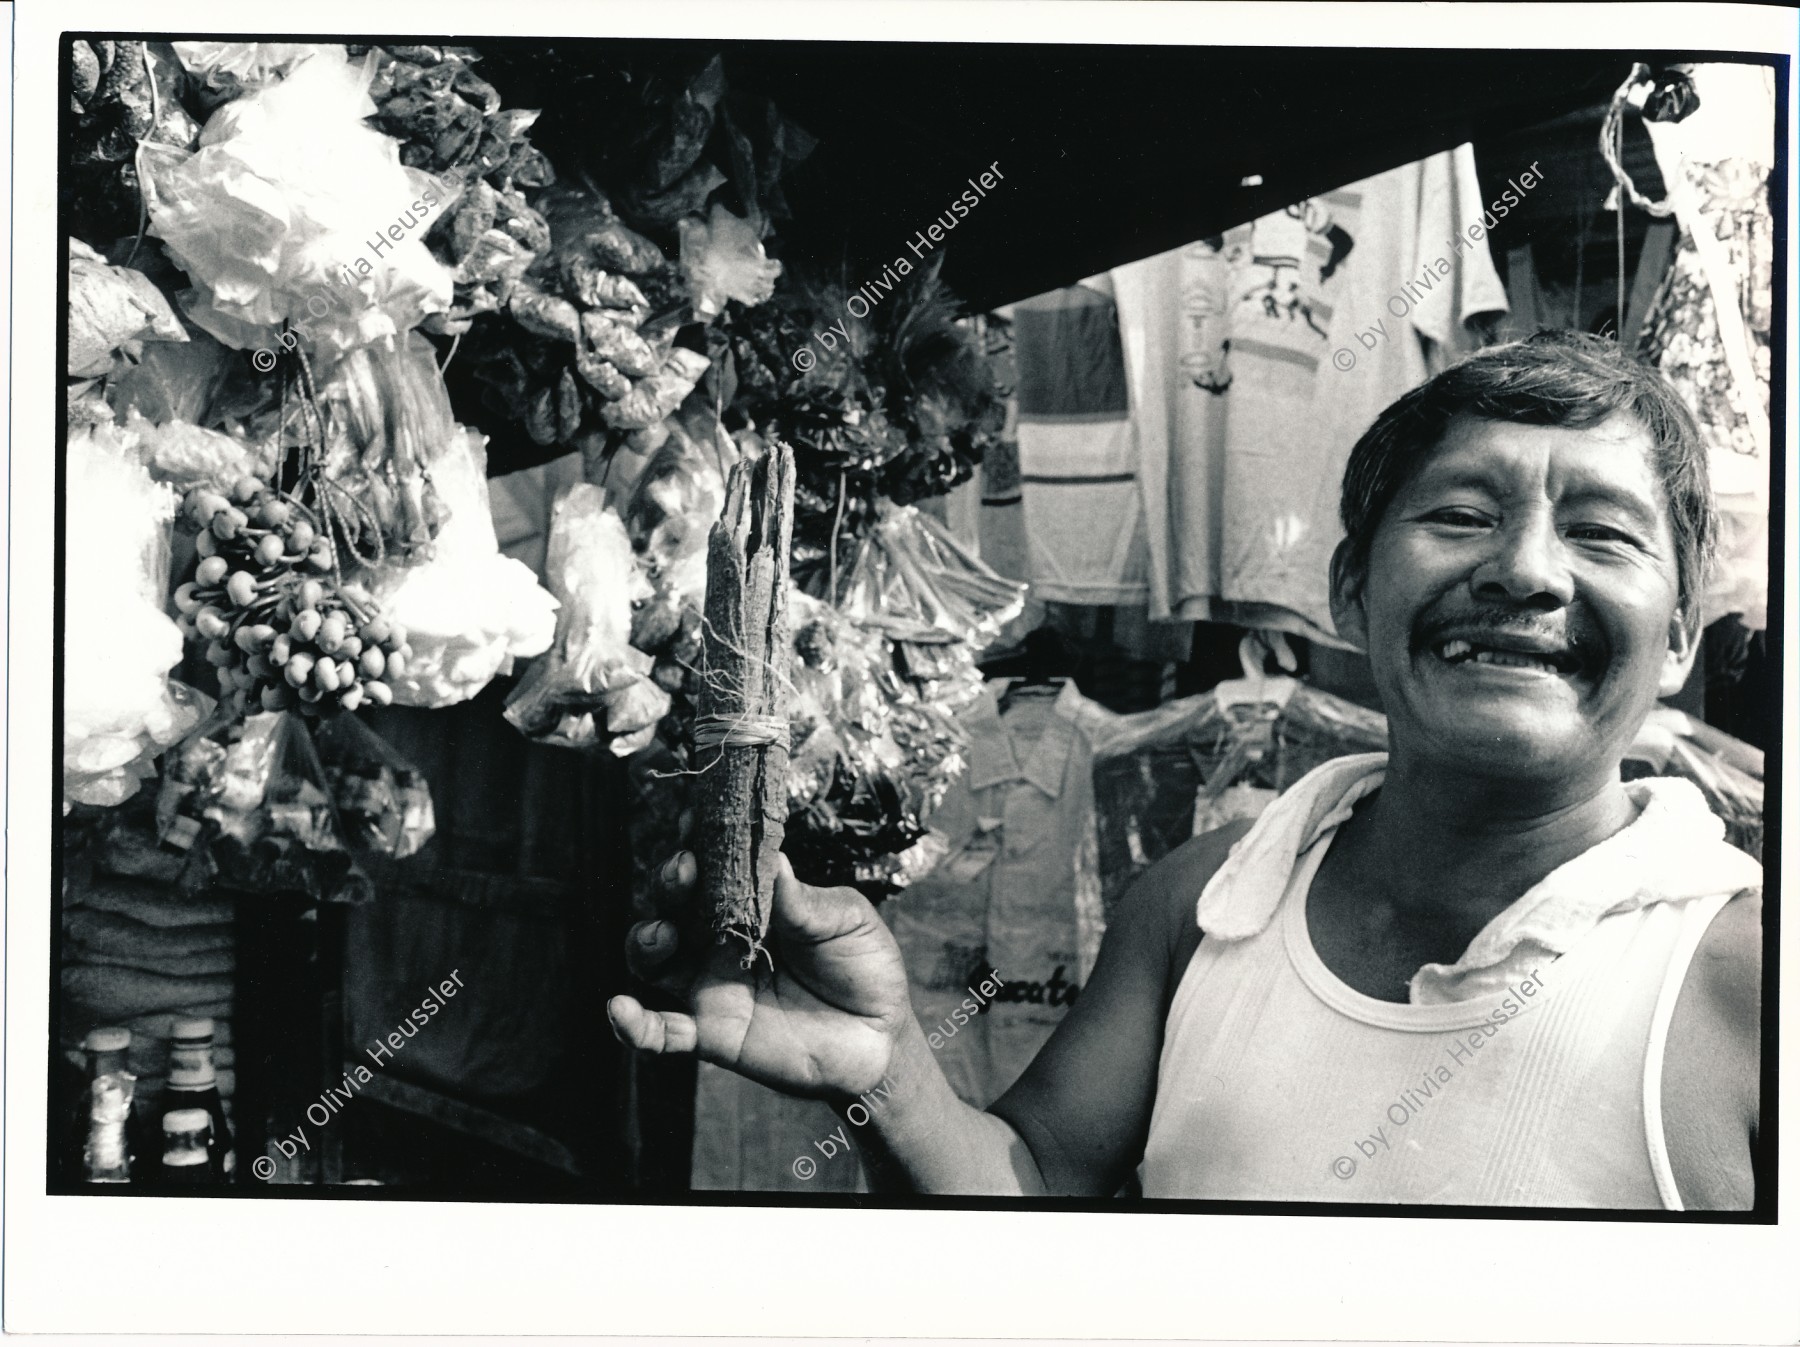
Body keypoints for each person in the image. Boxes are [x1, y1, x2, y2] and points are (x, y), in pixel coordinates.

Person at [608, 331, 1763, 1209]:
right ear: (1351, 594)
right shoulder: (1209, 899)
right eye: (1461, 515)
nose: (1525, 571)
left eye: (1603, 534)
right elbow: (1030, 1182)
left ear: (1678, 642)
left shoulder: (1747, 976)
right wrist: (887, 1066)